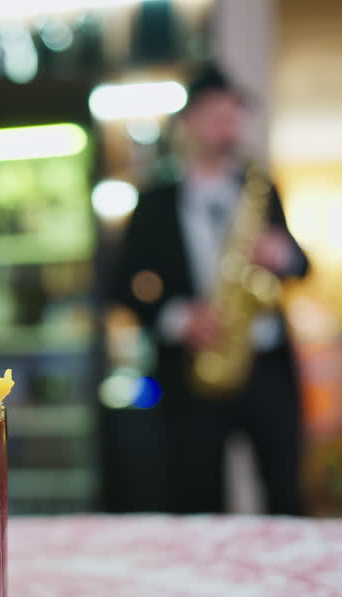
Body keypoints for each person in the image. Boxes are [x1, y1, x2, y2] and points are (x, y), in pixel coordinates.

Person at [109, 64, 310, 516]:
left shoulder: (261, 189)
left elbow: (302, 265)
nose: (228, 127)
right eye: (217, 116)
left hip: (266, 366)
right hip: (192, 372)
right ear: (188, 123)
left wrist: (282, 255)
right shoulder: (155, 202)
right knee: (196, 496)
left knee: (285, 492)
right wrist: (181, 317)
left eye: (234, 116)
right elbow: (122, 284)